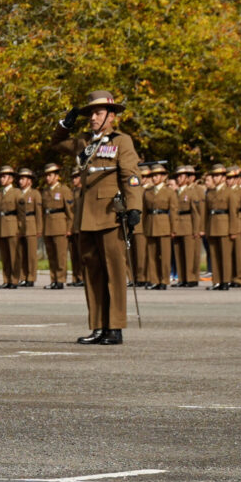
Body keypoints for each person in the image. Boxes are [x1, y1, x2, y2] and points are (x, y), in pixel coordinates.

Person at [51, 90, 143, 345]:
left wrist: (134, 207)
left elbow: (131, 176)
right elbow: (56, 144)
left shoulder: (121, 141)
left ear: (111, 116)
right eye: (90, 113)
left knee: (114, 273)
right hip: (86, 217)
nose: (93, 117)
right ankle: (98, 326)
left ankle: (115, 327)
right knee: (92, 274)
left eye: (98, 113)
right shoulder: (84, 142)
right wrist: (64, 125)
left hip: (110, 215)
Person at [141, 164, 177, 290]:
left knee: (165, 255)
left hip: (164, 224)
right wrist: (143, 227)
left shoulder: (169, 192)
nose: (154, 178)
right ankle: (154, 280)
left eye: (157, 175)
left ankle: (164, 280)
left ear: (163, 177)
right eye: (153, 175)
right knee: (152, 255)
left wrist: (173, 229)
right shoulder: (147, 192)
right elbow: (144, 212)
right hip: (151, 224)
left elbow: (173, 211)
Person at [41, 163, 73, 290]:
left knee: (60, 255)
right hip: (48, 226)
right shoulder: (45, 192)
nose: (48, 178)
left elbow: (70, 211)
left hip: (60, 226)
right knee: (51, 255)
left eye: (50, 175)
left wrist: (69, 228)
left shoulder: (64, 190)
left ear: (56, 176)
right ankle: (53, 279)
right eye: (46, 175)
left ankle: (60, 279)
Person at [204, 164, 234, 291]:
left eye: (217, 176)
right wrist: (206, 228)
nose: (215, 178)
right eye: (214, 176)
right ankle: (216, 281)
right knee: (214, 255)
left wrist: (233, 230)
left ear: (223, 177)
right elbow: (206, 213)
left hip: (224, 225)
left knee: (225, 255)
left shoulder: (229, 192)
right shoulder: (210, 193)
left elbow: (233, 212)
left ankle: (226, 280)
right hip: (212, 225)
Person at [0, 166, 21, 289]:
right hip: (2, 227)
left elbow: (21, 212)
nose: (1, 179)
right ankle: (6, 279)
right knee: (5, 256)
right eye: (1, 177)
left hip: (13, 226)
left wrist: (20, 228)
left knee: (14, 255)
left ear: (11, 179)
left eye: (4, 176)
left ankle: (14, 280)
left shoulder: (17, 193)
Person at [15, 168, 43, 287]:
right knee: (21, 253)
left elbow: (38, 212)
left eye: (23, 179)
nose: (20, 181)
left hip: (31, 224)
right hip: (19, 225)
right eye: (20, 179)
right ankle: (23, 277)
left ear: (29, 181)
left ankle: (31, 277)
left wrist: (39, 229)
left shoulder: (35, 194)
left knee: (31, 254)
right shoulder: (17, 193)